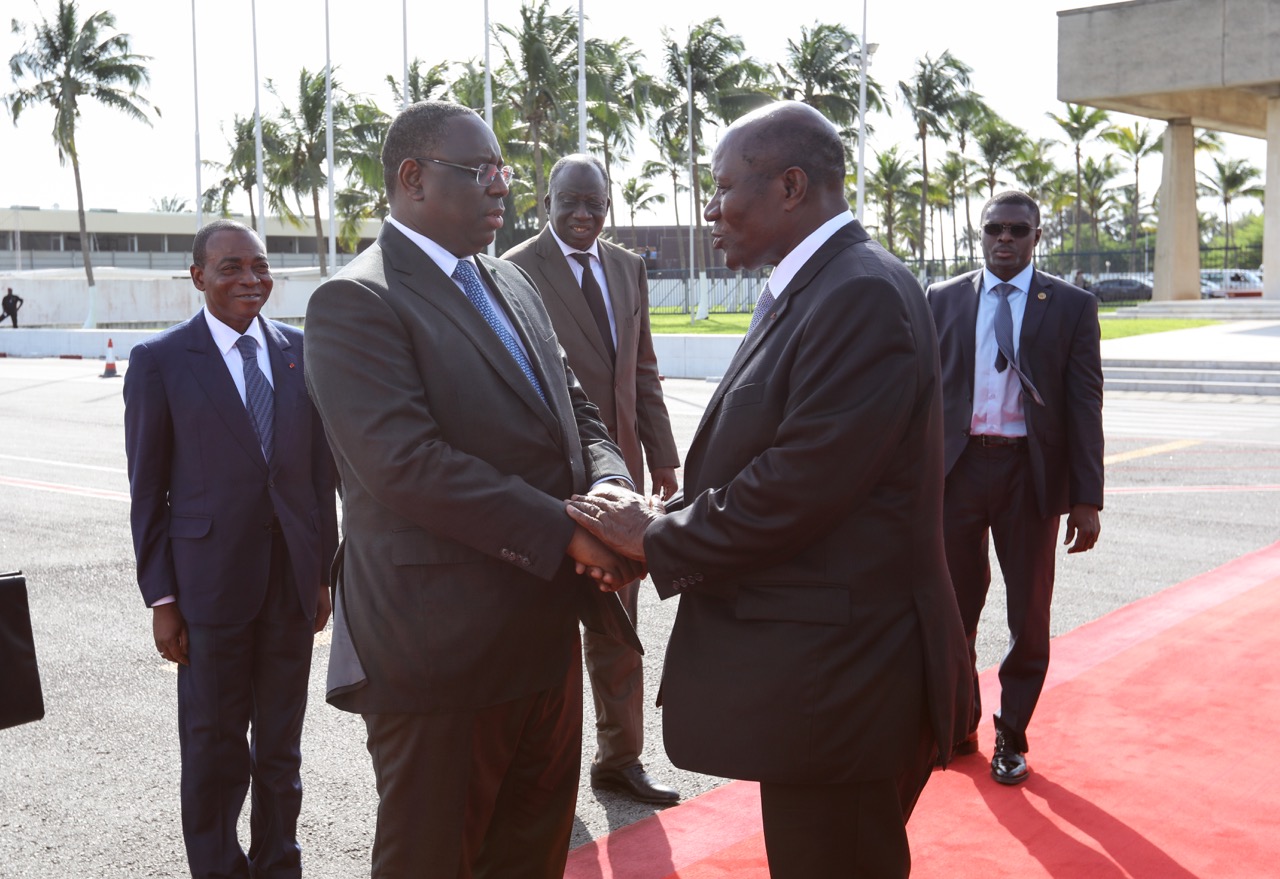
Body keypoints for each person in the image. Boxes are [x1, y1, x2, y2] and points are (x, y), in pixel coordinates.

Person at [566, 101, 972, 878]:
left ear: (791, 186)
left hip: (846, 685)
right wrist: (657, 516)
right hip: (825, 683)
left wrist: (651, 538)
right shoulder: (817, 284)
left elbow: (797, 487)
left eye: (722, 187)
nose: (709, 209)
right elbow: (763, 461)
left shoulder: (858, 293)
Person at [302, 101, 641, 879]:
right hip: (439, 656)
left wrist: (615, 491)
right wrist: (569, 530)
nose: (500, 187)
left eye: (503, 172)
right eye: (480, 170)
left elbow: (578, 408)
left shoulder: (512, 281)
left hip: (544, 640)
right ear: (412, 178)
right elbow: (407, 464)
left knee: (531, 856)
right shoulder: (357, 300)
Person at [123, 218, 338, 878]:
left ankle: (279, 863)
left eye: (260, 266)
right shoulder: (160, 362)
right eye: (231, 267)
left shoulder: (302, 353)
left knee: (281, 749)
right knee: (216, 751)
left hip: (290, 588)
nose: (251, 278)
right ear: (198, 277)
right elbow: (147, 491)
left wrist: (323, 573)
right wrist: (162, 598)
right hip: (208, 590)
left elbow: (318, 475)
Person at [502, 153, 682, 806]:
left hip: (622, 481)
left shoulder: (628, 268)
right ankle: (534, 775)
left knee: (618, 624)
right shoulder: (513, 270)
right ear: (545, 201)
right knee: (539, 632)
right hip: (549, 484)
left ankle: (620, 758)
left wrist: (659, 457)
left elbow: (641, 370)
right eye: (570, 202)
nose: (583, 216)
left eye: (595, 205)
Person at [926, 190, 1104, 785]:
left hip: (1029, 475)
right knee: (952, 607)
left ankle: (1012, 734)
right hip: (958, 471)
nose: (1004, 239)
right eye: (994, 229)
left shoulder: (1071, 306)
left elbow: (1084, 405)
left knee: (1028, 613)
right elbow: (922, 395)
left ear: (1035, 237)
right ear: (980, 234)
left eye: (1017, 231)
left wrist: (1086, 498)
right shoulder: (943, 299)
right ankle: (957, 722)